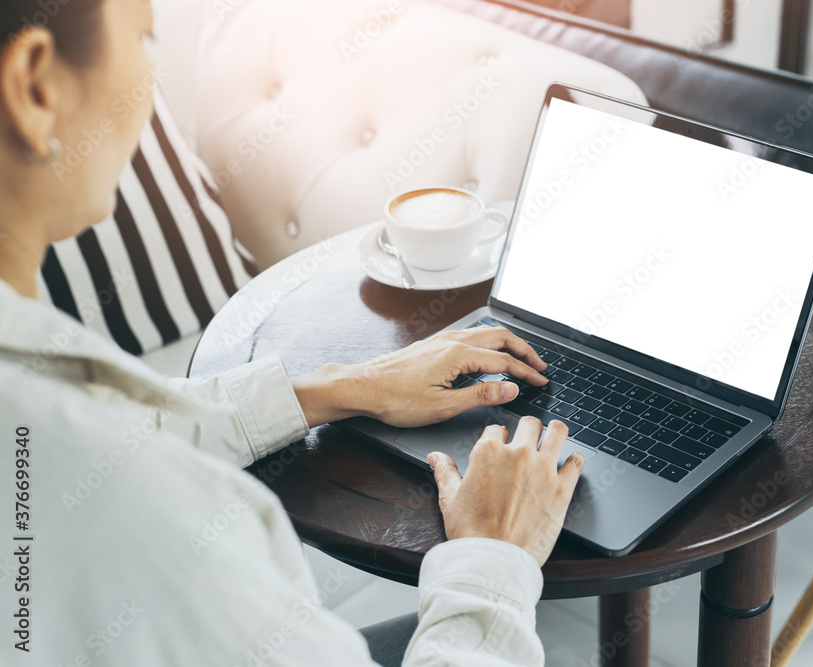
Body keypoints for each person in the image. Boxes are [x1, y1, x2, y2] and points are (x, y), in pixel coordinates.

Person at [0, 1, 586, 664]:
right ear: (36, 87)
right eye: (142, 39)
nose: (150, 81)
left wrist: (343, 387)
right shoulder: (155, 512)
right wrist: (492, 560)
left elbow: (116, 426)